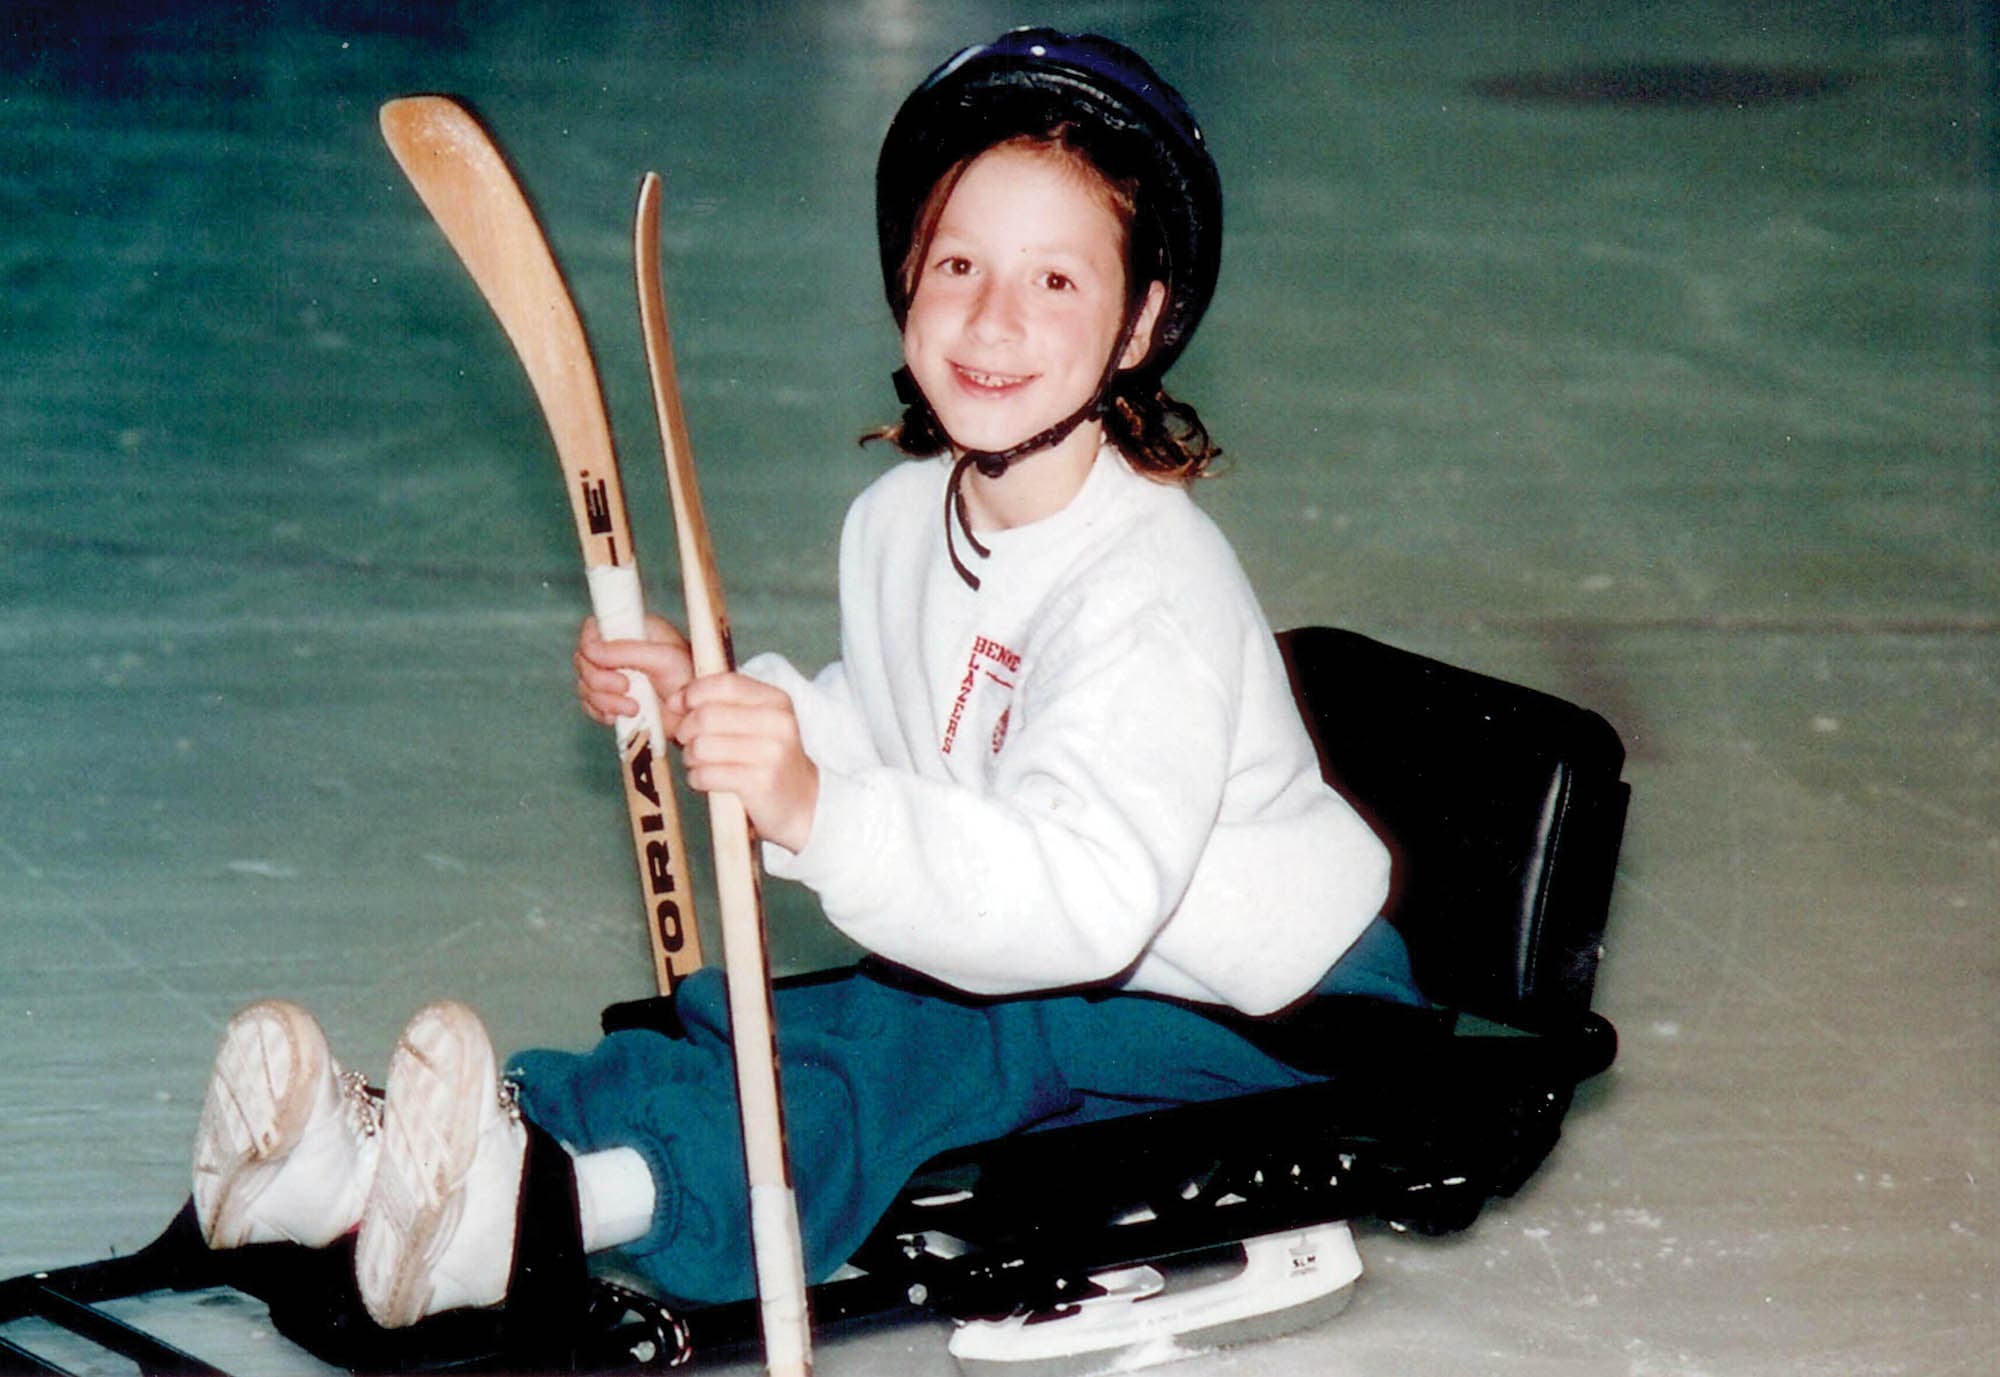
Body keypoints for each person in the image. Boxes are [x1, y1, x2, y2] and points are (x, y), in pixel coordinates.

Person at [190, 28, 1414, 1329]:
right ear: (905, 283)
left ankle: (577, 1201)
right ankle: (410, 1162)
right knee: (787, 1015)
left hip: (1272, 1012)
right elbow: (898, 720)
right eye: (958, 265)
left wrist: (815, 807)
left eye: (1057, 280)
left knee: (936, 1038)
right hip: (1092, 970)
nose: (995, 317)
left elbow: (1088, 901)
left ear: (1142, 324)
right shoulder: (901, 523)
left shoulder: (1152, 588)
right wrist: (723, 703)